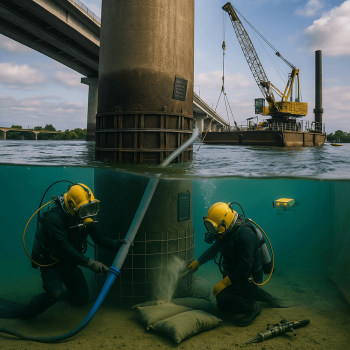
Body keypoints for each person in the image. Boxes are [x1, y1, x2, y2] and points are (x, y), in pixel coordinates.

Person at [0, 183, 126, 319]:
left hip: (69, 264)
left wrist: (115, 244)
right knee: (55, 294)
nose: (88, 215)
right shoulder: (54, 218)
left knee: (82, 298)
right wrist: (90, 263)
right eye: (85, 210)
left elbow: (97, 237)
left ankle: (59, 296)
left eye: (92, 208)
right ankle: (19, 312)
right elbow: (64, 247)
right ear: (72, 205)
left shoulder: (81, 212)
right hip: (51, 264)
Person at [187, 202, 282, 327]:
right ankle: (248, 296)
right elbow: (214, 249)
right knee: (222, 305)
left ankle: (252, 307)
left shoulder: (245, 235)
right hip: (237, 275)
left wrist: (225, 283)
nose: (212, 232)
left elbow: (245, 265)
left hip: (249, 278)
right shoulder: (228, 231)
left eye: (214, 228)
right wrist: (198, 262)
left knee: (222, 297)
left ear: (223, 223)